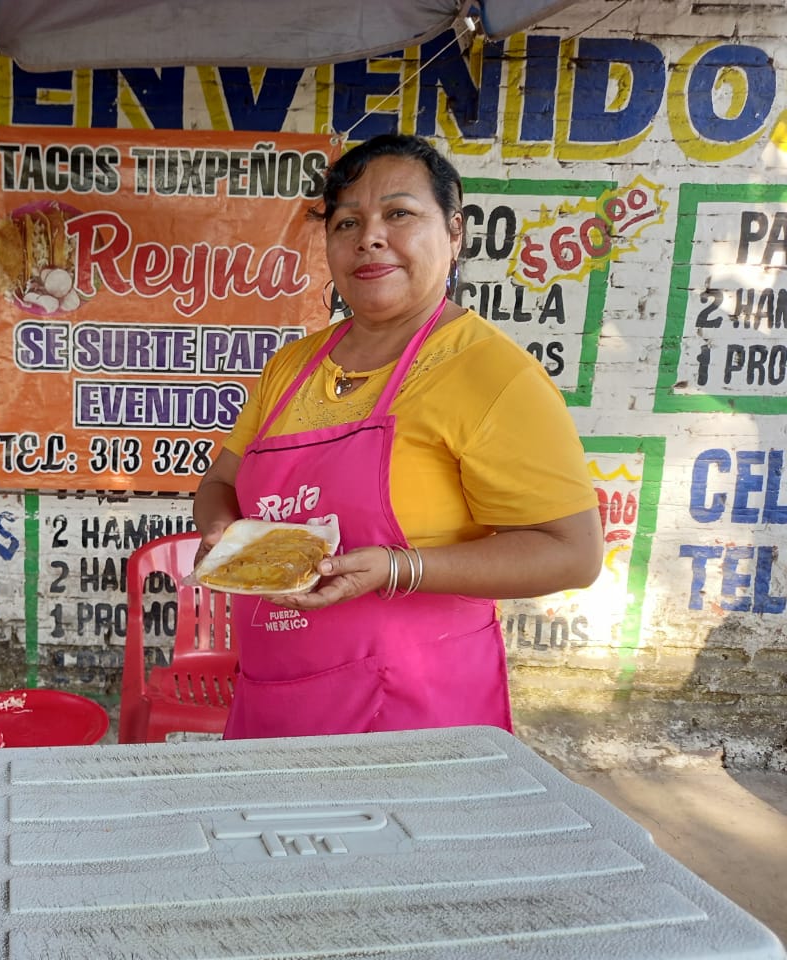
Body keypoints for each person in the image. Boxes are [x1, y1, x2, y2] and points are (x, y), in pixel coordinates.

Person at [193, 133, 603, 740]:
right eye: (347, 222)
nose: (370, 238)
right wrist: (224, 537)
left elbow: (573, 553)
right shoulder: (290, 367)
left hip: (415, 712)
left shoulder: (492, 374)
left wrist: (397, 568)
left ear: (455, 232)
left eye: (400, 214)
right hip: (277, 692)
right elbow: (220, 483)